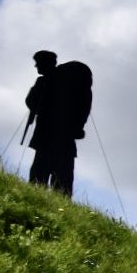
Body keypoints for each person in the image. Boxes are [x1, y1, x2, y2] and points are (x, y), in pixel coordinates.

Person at [23, 50, 92, 197]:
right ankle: (58, 203)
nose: (36, 66)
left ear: (46, 62)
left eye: (38, 63)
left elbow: (31, 102)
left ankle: (41, 198)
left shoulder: (49, 81)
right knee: (59, 176)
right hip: (62, 135)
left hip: (49, 135)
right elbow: (84, 104)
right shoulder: (55, 81)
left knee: (43, 173)